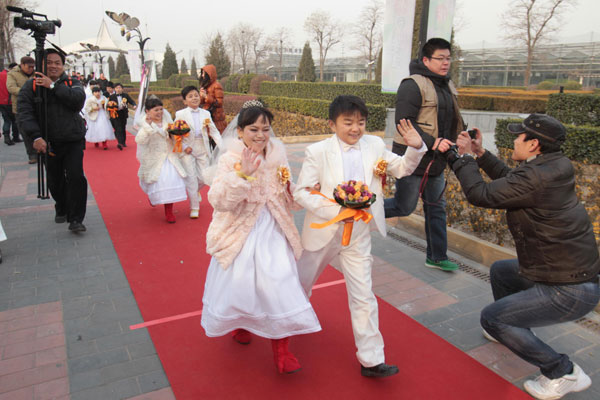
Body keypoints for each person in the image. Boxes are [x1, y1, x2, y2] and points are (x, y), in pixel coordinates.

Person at [450, 114, 600, 400]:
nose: (514, 139)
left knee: (491, 317)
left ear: (533, 144)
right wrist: (480, 154)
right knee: (502, 272)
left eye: (519, 136)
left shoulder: (539, 175)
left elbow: (481, 194)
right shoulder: (550, 166)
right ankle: (512, 329)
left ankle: (562, 371)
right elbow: (511, 181)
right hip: (567, 273)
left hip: (569, 289)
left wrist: (464, 158)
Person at [294, 95, 426, 377]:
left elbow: (402, 168)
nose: (355, 129)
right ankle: (288, 322)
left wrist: (416, 147)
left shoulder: (375, 145)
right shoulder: (317, 151)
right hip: (324, 230)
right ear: (333, 124)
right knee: (301, 283)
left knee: (363, 294)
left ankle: (371, 359)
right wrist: (337, 210)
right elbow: (301, 191)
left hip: (359, 233)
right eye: (348, 122)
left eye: (361, 123)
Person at [201, 101, 321, 374]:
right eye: (253, 129)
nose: (260, 135)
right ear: (240, 131)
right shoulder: (230, 159)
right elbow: (218, 200)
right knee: (241, 285)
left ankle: (282, 351)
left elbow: (288, 197)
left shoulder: (278, 156)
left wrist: (306, 191)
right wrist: (242, 173)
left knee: (280, 284)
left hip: (274, 230)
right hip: (240, 231)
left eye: (265, 129)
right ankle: (242, 323)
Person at [383, 38, 464, 272]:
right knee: (404, 206)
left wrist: (464, 135)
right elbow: (403, 122)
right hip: (413, 160)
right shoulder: (412, 84)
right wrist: (432, 142)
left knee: (437, 208)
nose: (446, 63)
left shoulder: (446, 85)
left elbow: (451, 120)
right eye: (440, 58)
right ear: (426, 60)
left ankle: (437, 257)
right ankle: (361, 208)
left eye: (448, 58)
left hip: (437, 162)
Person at [17, 49, 88, 232]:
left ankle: (76, 218)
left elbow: (78, 101)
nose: (53, 66)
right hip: (48, 143)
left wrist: (53, 87)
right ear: (41, 64)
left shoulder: (72, 82)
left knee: (75, 177)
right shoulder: (30, 87)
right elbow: (25, 114)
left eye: (57, 63)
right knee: (55, 181)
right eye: (49, 62)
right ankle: (62, 205)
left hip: (73, 139)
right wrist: (36, 137)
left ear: (62, 65)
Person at [135, 96, 187, 223]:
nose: (159, 113)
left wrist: (181, 142)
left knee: (169, 181)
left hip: (169, 157)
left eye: (161, 109)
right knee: (152, 182)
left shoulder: (168, 122)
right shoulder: (144, 124)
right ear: (148, 111)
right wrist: (147, 127)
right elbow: (140, 140)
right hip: (154, 158)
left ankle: (168, 211)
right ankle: (152, 196)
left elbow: (175, 138)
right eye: (156, 110)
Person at [174, 85, 222, 218]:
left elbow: (213, 131)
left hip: (202, 147)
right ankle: (194, 207)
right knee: (191, 178)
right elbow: (175, 133)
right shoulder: (180, 114)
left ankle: (194, 191)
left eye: (196, 95)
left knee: (204, 177)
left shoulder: (206, 114)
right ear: (185, 101)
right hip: (188, 149)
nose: (194, 98)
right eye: (190, 96)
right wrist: (184, 147)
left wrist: (223, 146)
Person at [7, 56, 35, 161]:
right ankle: (32, 155)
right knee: (26, 131)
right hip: (20, 107)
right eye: (29, 67)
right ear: (22, 65)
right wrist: (28, 92)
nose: (31, 69)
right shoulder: (12, 74)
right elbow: (11, 88)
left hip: (35, 106)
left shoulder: (36, 73)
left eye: (33, 67)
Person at [198, 64, 226, 133]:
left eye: (204, 74)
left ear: (209, 75)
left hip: (216, 117)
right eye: (202, 74)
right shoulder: (205, 86)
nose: (202, 76)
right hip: (206, 115)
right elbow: (201, 103)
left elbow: (219, 102)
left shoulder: (217, 85)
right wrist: (201, 95)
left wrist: (206, 97)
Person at [108, 83, 136, 150]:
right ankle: (119, 143)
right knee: (118, 128)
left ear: (122, 89)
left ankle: (123, 142)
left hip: (123, 114)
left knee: (123, 128)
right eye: (117, 88)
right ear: (114, 89)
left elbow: (131, 101)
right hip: (115, 114)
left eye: (120, 88)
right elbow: (109, 105)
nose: (118, 89)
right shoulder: (112, 97)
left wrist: (134, 105)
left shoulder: (125, 95)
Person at [1, 62, 18, 146]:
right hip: (10, 101)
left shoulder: (1, 74)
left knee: (6, 120)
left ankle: (6, 137)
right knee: (14, 120)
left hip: (1, 102)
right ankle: (15, 137)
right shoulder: (11, 76)